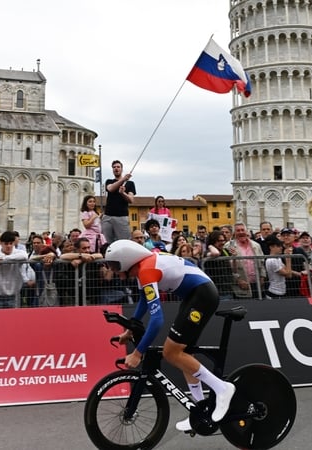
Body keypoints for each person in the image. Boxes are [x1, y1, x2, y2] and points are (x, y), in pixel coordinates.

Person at [104, 239, 235, 431]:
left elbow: (157, 319)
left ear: (127, 260)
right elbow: (143, 301)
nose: (113, 269)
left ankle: (223, 389)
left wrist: (138, 353)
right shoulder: (142, 268)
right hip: (194, 296)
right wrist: (130, 329)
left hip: (202, 295)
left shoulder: (147, 270)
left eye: (114, 265)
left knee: (171, 352)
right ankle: (201, 410)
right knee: (183, 355)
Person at [101, 160, 136, 243]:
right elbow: (110, 188)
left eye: (118, 167)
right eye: (114, 167)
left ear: (121, 169)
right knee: (107, 242)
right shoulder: (109, 181)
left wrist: (123, 193)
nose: (116, 169)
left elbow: (131, 200)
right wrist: (123, 179)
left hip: (122, 217)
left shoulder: (130, 183)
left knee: (124, 242)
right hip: (108, 216)